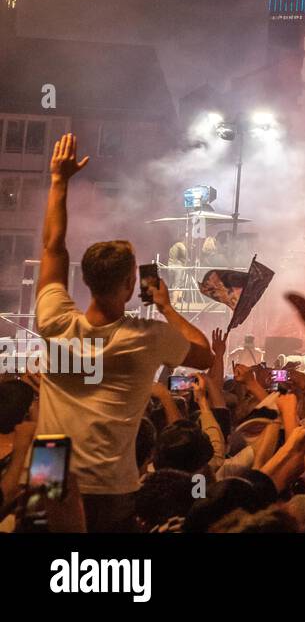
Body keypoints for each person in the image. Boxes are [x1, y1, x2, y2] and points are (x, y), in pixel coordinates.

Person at [34, 134, 214, 532]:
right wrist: (166, 307)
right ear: (131, 284)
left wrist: (58, 182)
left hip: (48, 469)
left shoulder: (54, 319)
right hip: (106, 479)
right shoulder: (147, 336)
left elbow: (53, 248)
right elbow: (205, 355)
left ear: (85, 279)